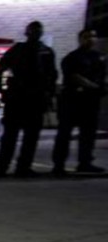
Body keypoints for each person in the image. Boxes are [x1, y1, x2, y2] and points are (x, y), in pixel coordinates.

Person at [0, 21, 58, 178]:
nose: (35, 34)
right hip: (16, 99)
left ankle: (23, 167)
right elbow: (0, 70)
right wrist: (4, 91)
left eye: (38, 31)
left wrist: (49, 94)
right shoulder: (18, 50)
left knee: (31, 137)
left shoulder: (46, 51)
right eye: (32, 31)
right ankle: (2, 168)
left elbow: (52, 75)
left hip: (35, 100)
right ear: (27, 33)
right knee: (10, 136)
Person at [52, 28, 106, 176]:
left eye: (93, 37)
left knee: (88, 134)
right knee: (65, 133)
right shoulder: (72, 57)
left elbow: (102, 76)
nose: (91, 39)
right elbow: (74, 76)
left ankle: (85, 162)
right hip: (72, 100)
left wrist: (100, 87)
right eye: (87, 37)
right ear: (80, 39)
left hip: (91, 101)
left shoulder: (99, 57)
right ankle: (59, 165)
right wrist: (94, 86)